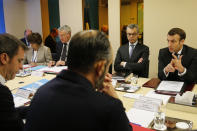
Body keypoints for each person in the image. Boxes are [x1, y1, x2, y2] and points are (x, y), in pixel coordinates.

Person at [24, 30, 132, 131]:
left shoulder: (40, 93)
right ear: (100, 67)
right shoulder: (109, 107)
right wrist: (115, 100)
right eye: (107, 67)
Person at [0, 33, 28, 130]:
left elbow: (7, 113)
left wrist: (32, 109)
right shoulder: (2, 93)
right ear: (4, 58)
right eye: (19, 61)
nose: (21, 67)